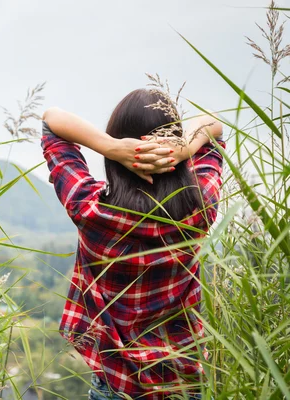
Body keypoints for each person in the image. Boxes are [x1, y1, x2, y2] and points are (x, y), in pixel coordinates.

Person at [41, 88, 225, 400]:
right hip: (185, 384)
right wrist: (181, 148)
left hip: (116, 386)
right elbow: (213, 125)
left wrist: (113, 147)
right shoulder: (201, 207)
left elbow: (52, 121)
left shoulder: (90, 209)